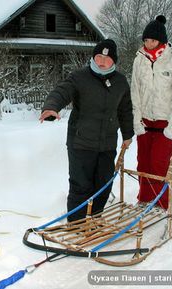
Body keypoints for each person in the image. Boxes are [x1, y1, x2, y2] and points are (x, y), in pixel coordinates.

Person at [40, 39, 134, 222]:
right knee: (81, 186)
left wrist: (128, 134)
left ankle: (95, 219)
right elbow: (61, 91)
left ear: (114, 61)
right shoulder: (79, 77)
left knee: (104, 184)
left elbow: (125, 109)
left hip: (107, 143)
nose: (101, 61)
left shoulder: (121, 82)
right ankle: (76, 224)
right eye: (98, 56)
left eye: (106, 58)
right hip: (81, 142)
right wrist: (51, 106)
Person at [130, 15, 172, 210]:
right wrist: (136, 120)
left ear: (161, 41)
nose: (148, 44)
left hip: (165, 121)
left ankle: (160, 203)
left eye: (152, 40)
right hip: (145, 120)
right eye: (145, 40)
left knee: (158, 164)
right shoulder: (139, 60)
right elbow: (135, 91)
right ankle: (144, 198)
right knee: (143, 163)